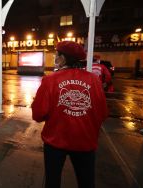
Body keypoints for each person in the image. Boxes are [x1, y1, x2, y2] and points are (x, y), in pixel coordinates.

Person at [31, 41, 108, 188]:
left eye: (57, 54)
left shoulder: (50, 80)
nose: (55, 57)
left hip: (55, 142)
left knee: (52, 181)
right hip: (85, 142)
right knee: (86, 182)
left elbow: (38, 114)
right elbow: (103, 113)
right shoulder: (94, 80)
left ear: (63, 58)